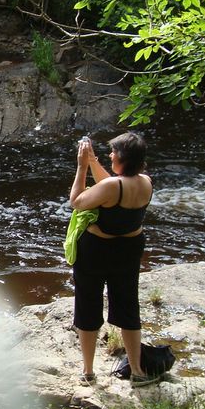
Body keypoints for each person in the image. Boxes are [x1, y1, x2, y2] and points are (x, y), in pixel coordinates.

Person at [68, 132, 158, 387]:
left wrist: (82, 167)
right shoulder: (145, 182)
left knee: (88, 305)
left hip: (97, 250)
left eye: (113, 153)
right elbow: (112, 187)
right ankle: (138, 371)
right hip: (128, 249)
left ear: (123, 159)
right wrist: (95, 161)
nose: (110, 156)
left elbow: (78, 202)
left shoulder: (112, 187)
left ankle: (88, 371)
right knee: (128, 306)